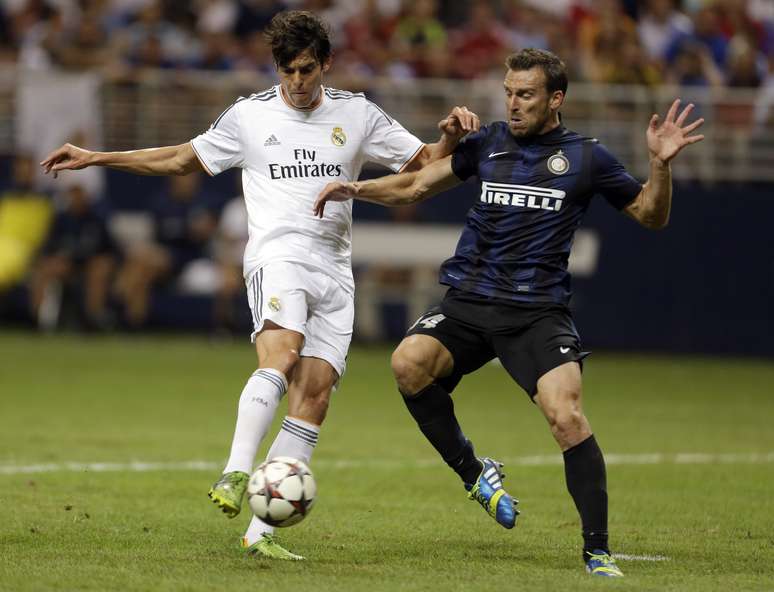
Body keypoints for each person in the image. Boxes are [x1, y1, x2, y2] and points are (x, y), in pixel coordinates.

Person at [40, 9, 479, 561]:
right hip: (277, 255)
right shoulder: (250, 116)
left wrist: (449, 138)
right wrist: (98, 157)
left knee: (314, 395)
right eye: (286, 70)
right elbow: (181, 158)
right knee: (281, 352)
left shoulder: (358, 114)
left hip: (334, 268)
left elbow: (424, 169)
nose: (295, 82)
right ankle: (233, 472)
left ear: (325, 64)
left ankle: (259, 533)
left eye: (305, 70)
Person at [314, 48, 705, 577]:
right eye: (509, 93)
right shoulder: (486, 143)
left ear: (555, 99)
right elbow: (414, 185)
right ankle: (476, 473)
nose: (514, 104)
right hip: (469, 302)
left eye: (526, 95)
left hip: (536, 313)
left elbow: (650, 215)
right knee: (408, 364)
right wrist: (356, 189)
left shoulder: (587, 158)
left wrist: (660, 165)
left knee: (565, 417)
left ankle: (597, 551)